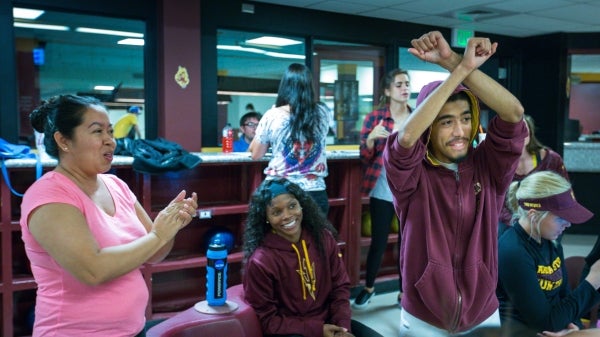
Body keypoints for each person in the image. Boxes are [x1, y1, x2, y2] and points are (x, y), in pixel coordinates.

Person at [383, 31, 528, 336]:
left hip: (483, 311)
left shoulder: (489, 166)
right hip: (424, 315)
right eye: (446, 122)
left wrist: (452, 60)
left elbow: (514, 113)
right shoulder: (410, 174)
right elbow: (407, 139)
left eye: (465, 118)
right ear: (429, 128)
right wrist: (460, 70)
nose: (460, 130)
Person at [20, 94, 198, 337]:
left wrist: (171, 225)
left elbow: (155, 253)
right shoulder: (49, 195)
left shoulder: (116, 185)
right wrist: (158, 234)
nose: (110, 142)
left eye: (110, 132)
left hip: (133, 329)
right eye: (97, 132)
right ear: (63, 140)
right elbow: (93, 270)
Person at [242, 178, 354, 337]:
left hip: (330, 323)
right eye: (276, 212)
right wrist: (317, 330)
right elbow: (267, 321)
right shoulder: (261, 261)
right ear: (266, 218)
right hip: (291, 331)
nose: (287, 216)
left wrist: (342, 328)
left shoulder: (323, 238)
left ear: (302, 205)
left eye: (292, 206)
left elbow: (340, 288)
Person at [497, 171, 600, 336]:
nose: (568, 224)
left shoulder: (551, 242)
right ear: (534, 215)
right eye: (561, 218)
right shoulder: (512, 252)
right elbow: (544, 322)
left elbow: (565, 299)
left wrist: (571, 325)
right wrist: (591, 282)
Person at [353, 68, 412, 309]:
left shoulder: (418, 116)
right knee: (378, 241)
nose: (405, 88)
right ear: (388, 91)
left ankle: (404, 292)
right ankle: (369, 288)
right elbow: (365, 157)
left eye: (407, 84)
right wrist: (370, 139)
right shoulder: (375, 117)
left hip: (411, 190)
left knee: (408, 243)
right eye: (399, 84)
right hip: (383, 188)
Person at [249, 63, 331, 215]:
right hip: (315, 192)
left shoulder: (273, 115)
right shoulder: (323, 112)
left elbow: (256, 154)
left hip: (280, 190)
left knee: (279, 239)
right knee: (313, 239)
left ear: (284, 87)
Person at [498, 114, 570, 237]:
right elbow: (495, 202)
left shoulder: (551, 159)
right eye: (514, 130)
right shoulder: (497, 162)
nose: (520, 134)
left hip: (544, 220)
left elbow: (565, 195)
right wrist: (518, 222)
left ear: (530, 134)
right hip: (509, 224)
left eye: (524, 130)